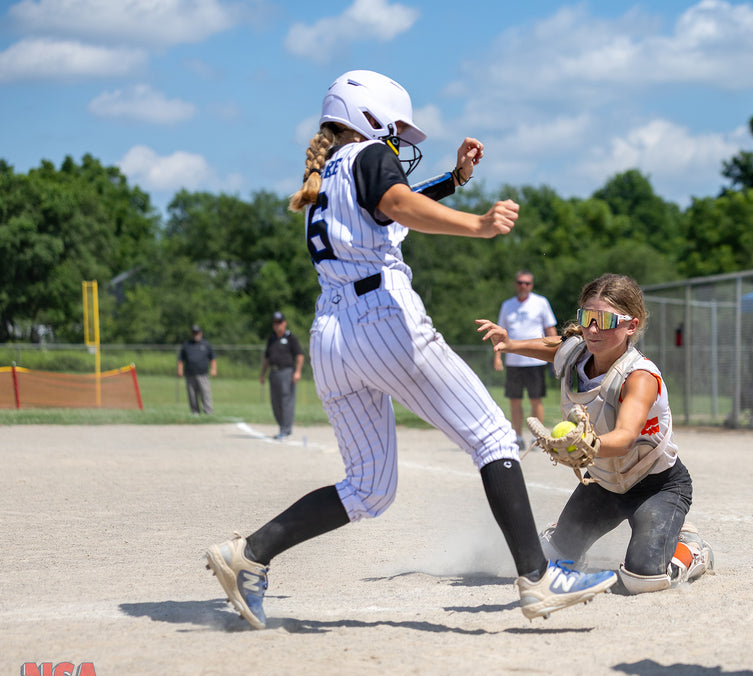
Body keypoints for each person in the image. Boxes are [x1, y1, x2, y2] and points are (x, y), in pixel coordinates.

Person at [205, 70, 615, 630]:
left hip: (331, 335)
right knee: (494, 436)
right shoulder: (369, 154)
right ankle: (538, 578)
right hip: (381, 319)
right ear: (369, 117)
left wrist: (454, 179)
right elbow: (397, 202)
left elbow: (390, 204)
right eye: (395, 128)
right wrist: (477, 223)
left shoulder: (327, 174)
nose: (398, 141)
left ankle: (249, 554)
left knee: (368, 489)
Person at [476, 274, 714, 595]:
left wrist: (589, 444)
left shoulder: (639, 377)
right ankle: (564, 536)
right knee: (549, 560)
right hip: (603, 485)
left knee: (643, 578)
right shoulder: (577, 353)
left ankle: (692, 548)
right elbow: (558, 347)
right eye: (586, 317)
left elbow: (625, 436)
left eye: (603, 320)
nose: (591, 329)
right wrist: (511, 344)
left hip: (657, 486)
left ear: (631, 326)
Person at [495, 270, 557, 449]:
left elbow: (550, 331)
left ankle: (538, 437)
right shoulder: (507, 305)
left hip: (536, 360)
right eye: (520, 282)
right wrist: (498, 357)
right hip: (513, 361)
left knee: (535, 400)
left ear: (532, 285)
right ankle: (518, 437)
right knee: (514, 400)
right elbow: (499, 333)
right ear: (515, 284)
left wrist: (555, 356)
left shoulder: (541, 302)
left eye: (527, 283)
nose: (523, 286)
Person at [259, 311, 305, 440]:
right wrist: (263, 374)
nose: (277, 325)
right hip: (273, 373)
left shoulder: (290, 338)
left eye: (279, 322)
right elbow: (267, 358)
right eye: (275, 322)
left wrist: (298, 372)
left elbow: (300, 355)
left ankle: (285, 430)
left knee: (286, 402)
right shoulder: (272, 339)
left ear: (284, 323)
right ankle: (282, 427)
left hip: (287, 373)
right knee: (275, 403)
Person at [177, 324, 216, 415]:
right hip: (190, 374)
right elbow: (181, 359)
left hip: (203, 374)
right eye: (194, 333)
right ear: (191, 334)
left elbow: (213, 358)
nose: (196, 335)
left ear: (200, 333)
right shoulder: (187, 345)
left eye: (197, 333)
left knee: (205, 393)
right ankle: (195, 412)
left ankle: (208, 411)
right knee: (192, 394)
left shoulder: (206, 344)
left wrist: (214, 369)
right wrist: (180, 369)